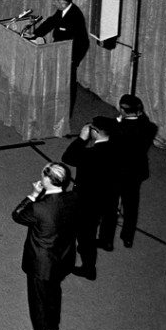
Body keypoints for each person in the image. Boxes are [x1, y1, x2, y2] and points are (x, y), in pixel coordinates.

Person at [11, 162, 80, 330]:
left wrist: (33, 194)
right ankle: (53, 323)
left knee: (37, 301)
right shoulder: (74, 197)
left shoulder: (40, 208)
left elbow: (17, 215)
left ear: (48, 180)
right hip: (63, 257)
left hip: (41, 263)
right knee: (54, 290)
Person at [61, 116, 118, 280]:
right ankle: (105, 241)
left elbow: (68, 158)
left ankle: (88, 268)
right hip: (108, 197)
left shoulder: (89, 154)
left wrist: (81, 139)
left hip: (87, 202)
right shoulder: (118, 150)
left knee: (85, 236)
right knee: (100, 224)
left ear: (96, 132)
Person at [27, 0, 89, 109]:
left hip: (71, 53)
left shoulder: (74, 15)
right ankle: (55, 104)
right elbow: (51, 22)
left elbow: (81, 42)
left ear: (63, 2)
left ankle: (67, 110)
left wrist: (74, 60)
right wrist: (35, 34)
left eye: (55, 1)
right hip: (60, 50)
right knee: (57, 79)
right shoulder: (63, 10)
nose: (53, 3)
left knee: (68, 82)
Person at [114, 94, 158, 248]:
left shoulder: (119, 129)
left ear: (122, 110)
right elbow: (145, 123)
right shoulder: (150, 128)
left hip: (118, 170)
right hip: (136, 171)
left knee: (111, 197)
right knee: (132, 205)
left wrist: (119, 121)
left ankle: (109, 229)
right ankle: (128, 237)